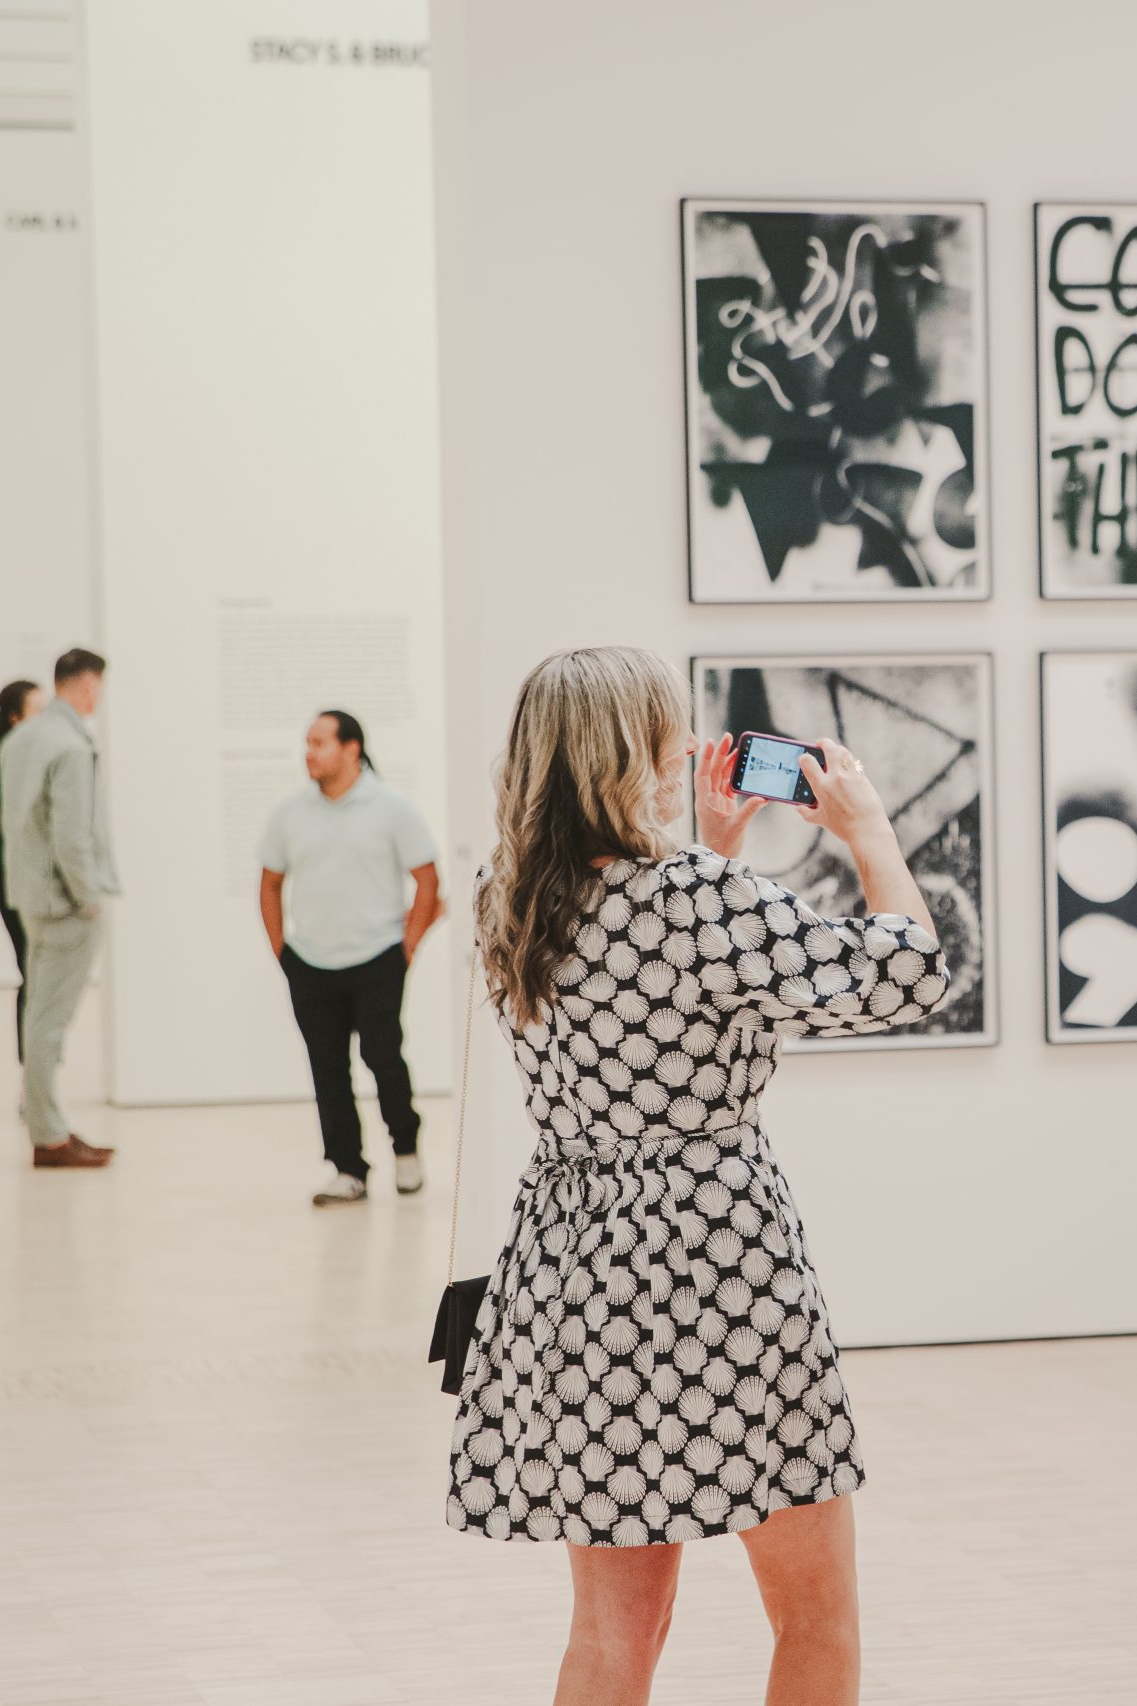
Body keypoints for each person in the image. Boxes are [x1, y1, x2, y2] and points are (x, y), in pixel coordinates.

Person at [447, 646, 948, 1706]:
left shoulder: (507, 897)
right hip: (720, 1266)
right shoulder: (697, 899)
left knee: (612, 1634)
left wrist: (715, 849)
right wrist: (867, 829)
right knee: (814, 1613)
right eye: (665, 726)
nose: (684, 745)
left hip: (578, 1270)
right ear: (624, 750)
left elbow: (644, 971)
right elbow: (905, 973)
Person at [258, 709, 443, 1206]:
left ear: (351, 748)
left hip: (377, 959)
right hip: (310, 963)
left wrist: (407, 946)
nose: (308, 753)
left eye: (319, 743)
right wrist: (282, 951)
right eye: (307, 743)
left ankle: (406, 1149)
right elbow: (270, 882)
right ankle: (347, 1169)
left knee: (383, 1057)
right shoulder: (290, 813)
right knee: (327, 1069)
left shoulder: (392, 808)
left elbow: (427, 879)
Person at [0, 648, 121, 1170]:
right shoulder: (70, 746)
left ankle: (46, 1124)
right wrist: (89, 898)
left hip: (32, 896)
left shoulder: (22, 739)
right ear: (89, 684)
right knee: (49, 1022)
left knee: (38, 1015)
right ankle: (49, 1136)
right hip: (64, 901)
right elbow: (72, 836)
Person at [0, 677, 46, 1059]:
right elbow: (1, 839)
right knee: (33, 971)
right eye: (39, 710)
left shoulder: (10, 759)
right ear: (17, 718)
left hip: (22, 883)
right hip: (16, 886)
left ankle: (34, 1065)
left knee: (35, 971)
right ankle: (32, 1066)